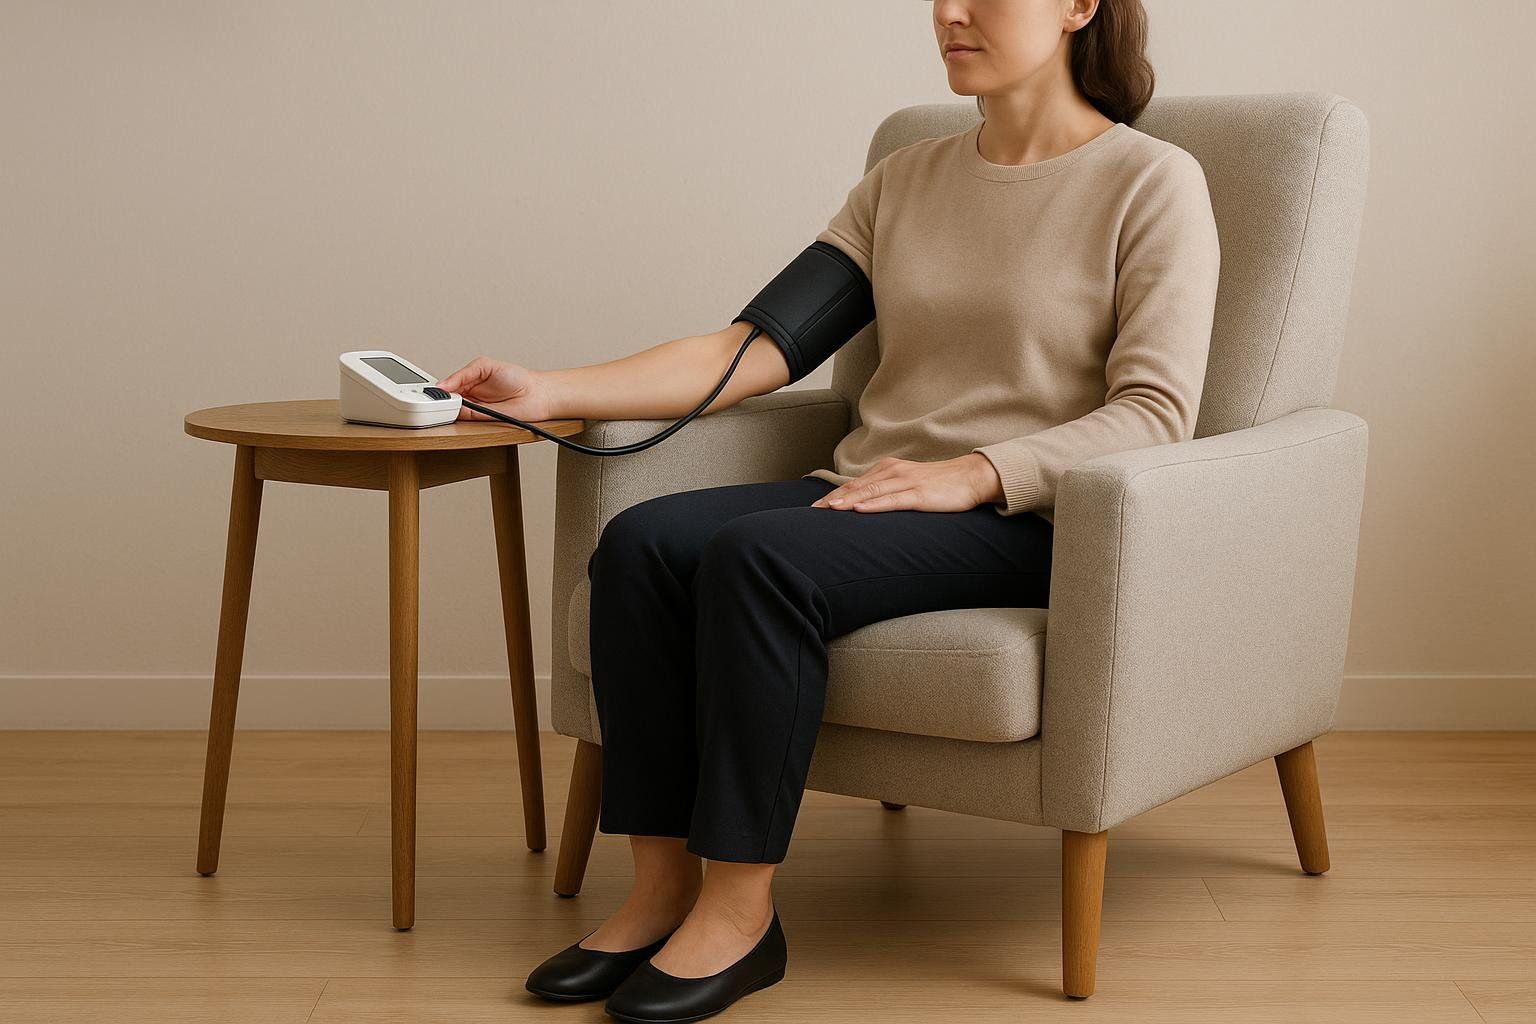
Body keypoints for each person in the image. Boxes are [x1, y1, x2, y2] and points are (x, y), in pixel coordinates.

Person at [435, 0, 1220, 1020]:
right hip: (874, 496)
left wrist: (975, 471)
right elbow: (752, 346)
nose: (949, 11)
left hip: (1029, 515)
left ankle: (741, 911)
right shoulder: (908, 180)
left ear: (1079, 6)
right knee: (640, 544)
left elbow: (1156, 417)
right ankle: (662, 887)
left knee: (760, 559)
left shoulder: (1151, 182)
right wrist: (553, 388)